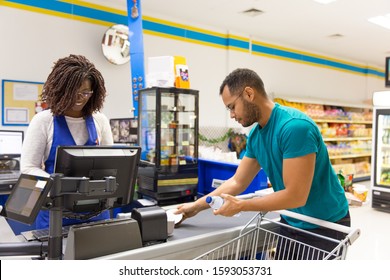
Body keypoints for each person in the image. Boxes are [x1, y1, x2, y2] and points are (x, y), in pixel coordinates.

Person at [176, 68, 350, 259]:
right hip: (292, 221)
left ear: (249, 93)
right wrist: (195, 207)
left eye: (232, 107)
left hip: (325, 226)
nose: (232, 115)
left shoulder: (294, 127)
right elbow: (237, 182)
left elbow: (296, 196)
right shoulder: (256, 135)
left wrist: (241, 206)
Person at [21, 54, 114, 229]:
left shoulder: (100, 120)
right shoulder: (43, 121)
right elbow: (28, 168)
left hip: (97, 212)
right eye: (74, 92)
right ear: (61, 89)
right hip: (55, 213)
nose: (80, 98)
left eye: (86, 93)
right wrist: (60, 184)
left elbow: (112, 163)